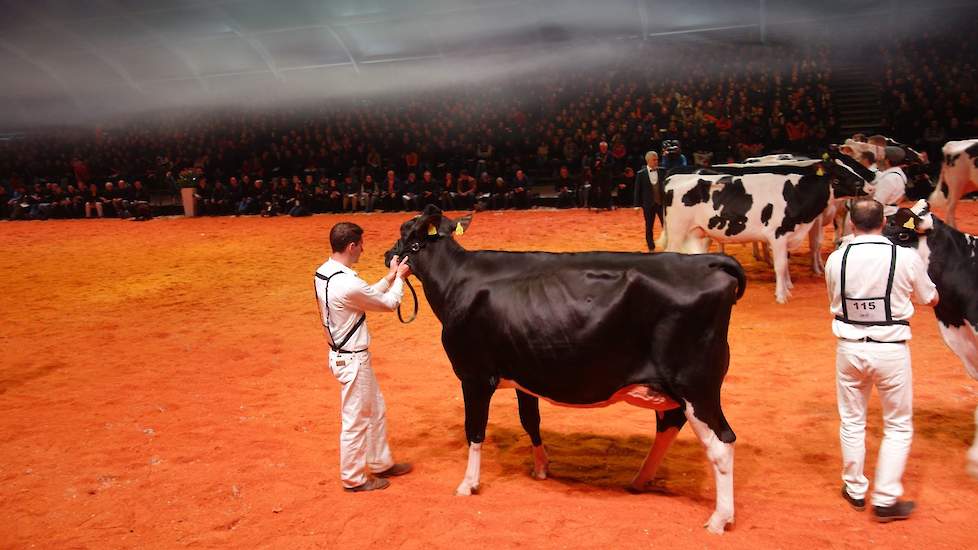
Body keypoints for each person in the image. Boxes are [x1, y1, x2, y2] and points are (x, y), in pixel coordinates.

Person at [824, 198, 938, 522]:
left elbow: (834, 299)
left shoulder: (836, 259)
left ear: (851, 223)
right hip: (890, 349)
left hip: (848, 348)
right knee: (898, 426)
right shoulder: (905, 257)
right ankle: (886, 499)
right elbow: (930, 297)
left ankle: (855, 489)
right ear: (882, 221)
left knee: (852, 420)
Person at [314, 222, 414, 492]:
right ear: (351, 246)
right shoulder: (347, 283)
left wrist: (390, 277)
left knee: (375, 410)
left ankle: (380, 462)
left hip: (346, 355)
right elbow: (389, 304)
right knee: (356, 420)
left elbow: (362, 295)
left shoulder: (325, 272)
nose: (362, 249)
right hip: (353, 358)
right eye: (360, 244)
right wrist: (401, 279)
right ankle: (353, 479)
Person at [634, 151, 666, 252]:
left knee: (666, 226)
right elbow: (637, 190)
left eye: (657, 159)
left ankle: (667, 244)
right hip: (648, 204)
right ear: (648, 160)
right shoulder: (641, 174)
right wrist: (637, 205)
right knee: (649, 226)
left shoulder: (662, 171)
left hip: (661, 204)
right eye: (654, 160)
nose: (656, 161)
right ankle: (651, 248)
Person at [874, 147, 908, 216]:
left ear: (887, 161)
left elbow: (877, 203)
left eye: (881, 157)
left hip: (884, 215)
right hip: (892, 212)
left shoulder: (889, 178)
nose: (877, 159)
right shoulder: (899, 173)